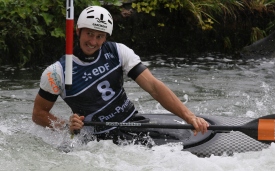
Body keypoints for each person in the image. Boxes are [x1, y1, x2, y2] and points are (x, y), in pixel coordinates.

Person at [32, 6, 209, 144]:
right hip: (97, 140)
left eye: (100, 36)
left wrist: (189, 116)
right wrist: (67, 126)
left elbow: (154, 87)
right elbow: (39, 113)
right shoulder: (56, 73)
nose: (93, 41)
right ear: (78, 31)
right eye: (89, 34)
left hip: (132, 122)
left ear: (106, 37)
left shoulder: (118, 52)